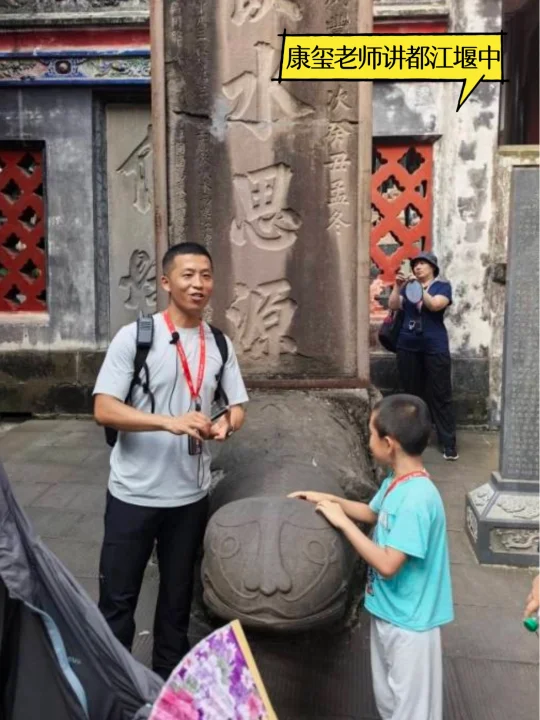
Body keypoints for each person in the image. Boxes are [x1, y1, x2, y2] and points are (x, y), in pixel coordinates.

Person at [93, 242, 248, 681]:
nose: (198, 284)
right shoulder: (136, 338)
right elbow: (104, 408)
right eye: (188, 275)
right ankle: (116, 688)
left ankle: (166, 685)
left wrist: (226, 423)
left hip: (189, 497)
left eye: (206, 275)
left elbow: (237, 405)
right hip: (133, 494)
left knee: (177, 602)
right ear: (166, 282)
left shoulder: (219, 343)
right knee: (118, 601)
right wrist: (168, 422)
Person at [289, 394, 453, 720]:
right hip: (389, 611)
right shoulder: (397, 481)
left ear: (389, 444)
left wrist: (343, 523)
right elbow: (371, 511)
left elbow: (389, 564)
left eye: (370, 434)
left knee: (412, 711)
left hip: (411, 625)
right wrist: (323, 498)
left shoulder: (417, 499)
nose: (368, 441)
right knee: (390, 702)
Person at [388, 251, 458, 461]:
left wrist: (418, 287)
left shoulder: (442, 286)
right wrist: (397, 286)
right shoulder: (408, 286)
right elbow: (393, 305)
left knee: (440, 393)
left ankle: (448, 443)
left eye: (422, 264)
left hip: (434, 345)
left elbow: (435, 305)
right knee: (412, 393)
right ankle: (414, 439)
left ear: (432, 268)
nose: (417, 267)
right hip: (408, 344)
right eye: (415, 264)